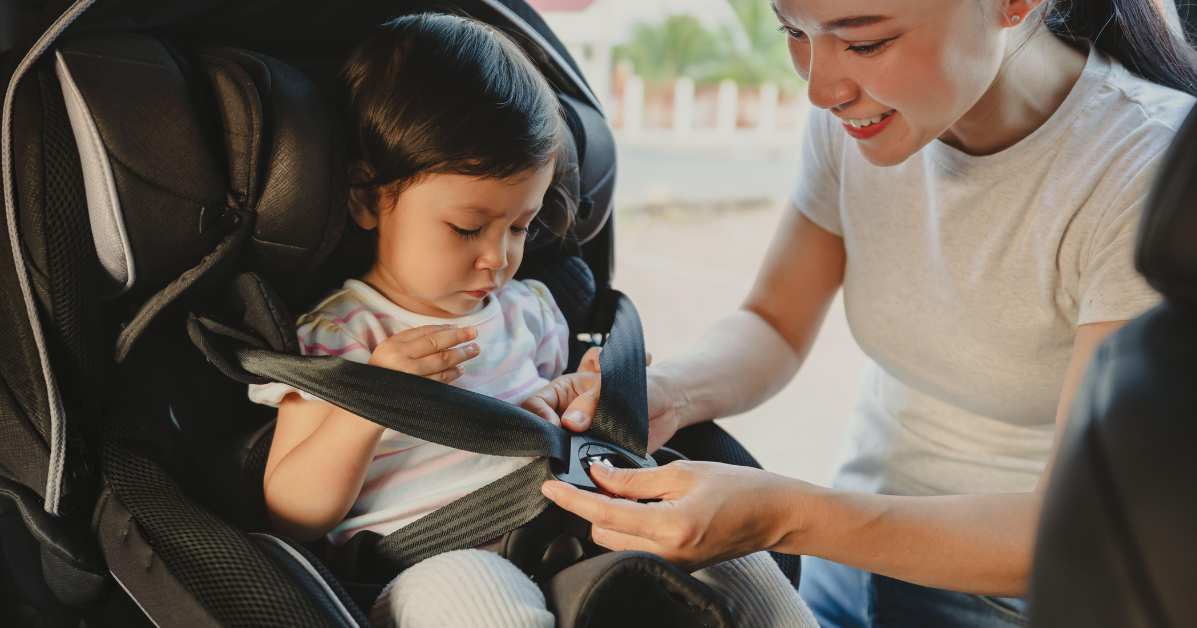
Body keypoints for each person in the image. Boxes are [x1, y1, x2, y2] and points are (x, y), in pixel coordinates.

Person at [530, 0, 1197, 626]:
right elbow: (773, 325)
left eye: (865, 41)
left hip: (1015, 599)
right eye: (793, 32)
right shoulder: (859, 120)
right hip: (849, 559)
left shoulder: (1145, 171)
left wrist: (785, 517)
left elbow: (1066, 526)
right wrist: (666, 390)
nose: (820, 90)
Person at [247, 13, 817, 628]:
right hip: (435, 561)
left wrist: (577, 396)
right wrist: (367, 404)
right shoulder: (343, 335)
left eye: (519, 226)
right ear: (367, 199)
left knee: (737, 559)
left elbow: (547, 413)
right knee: (480, 597)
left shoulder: (531, 310)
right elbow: (293, 511)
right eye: (467, 228)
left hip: (568, 526)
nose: (498, 257)